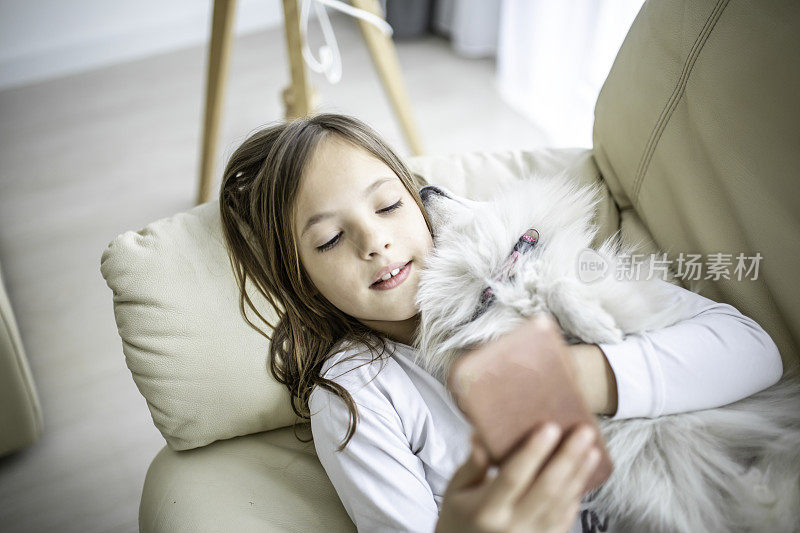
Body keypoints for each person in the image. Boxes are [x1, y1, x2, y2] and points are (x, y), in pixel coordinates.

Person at [218, 113, 783, 532]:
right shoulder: (358, 393)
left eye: (388, 206)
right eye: (331, 239)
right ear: (299, 279)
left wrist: (583, 375)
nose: (376, 242)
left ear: (418, 204)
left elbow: (754, 349)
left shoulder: (519, 257)